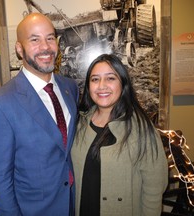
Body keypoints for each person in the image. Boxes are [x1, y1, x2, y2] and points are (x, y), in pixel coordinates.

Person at [0, 13, 79, 216]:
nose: (45, 47)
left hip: (73, 203)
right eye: (35, 39)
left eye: (50, 38)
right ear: (19, 48)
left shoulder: (70, 88)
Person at [71, 54, 168, 216]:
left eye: (110, 78)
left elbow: (154, 189)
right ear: (88, 86)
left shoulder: (142, 129)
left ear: (123, 84)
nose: (102, 86)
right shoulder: (80, 123)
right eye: (95, 79)